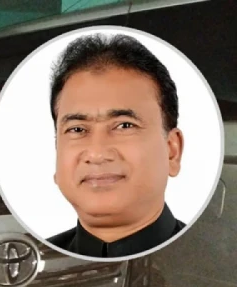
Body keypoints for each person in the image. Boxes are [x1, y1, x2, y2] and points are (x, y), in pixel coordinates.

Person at [47, 33, 185, 258]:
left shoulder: (219, 262)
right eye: (77, 129)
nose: (97, 153)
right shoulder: (29, 259)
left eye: (124, 126)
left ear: (172, 151)